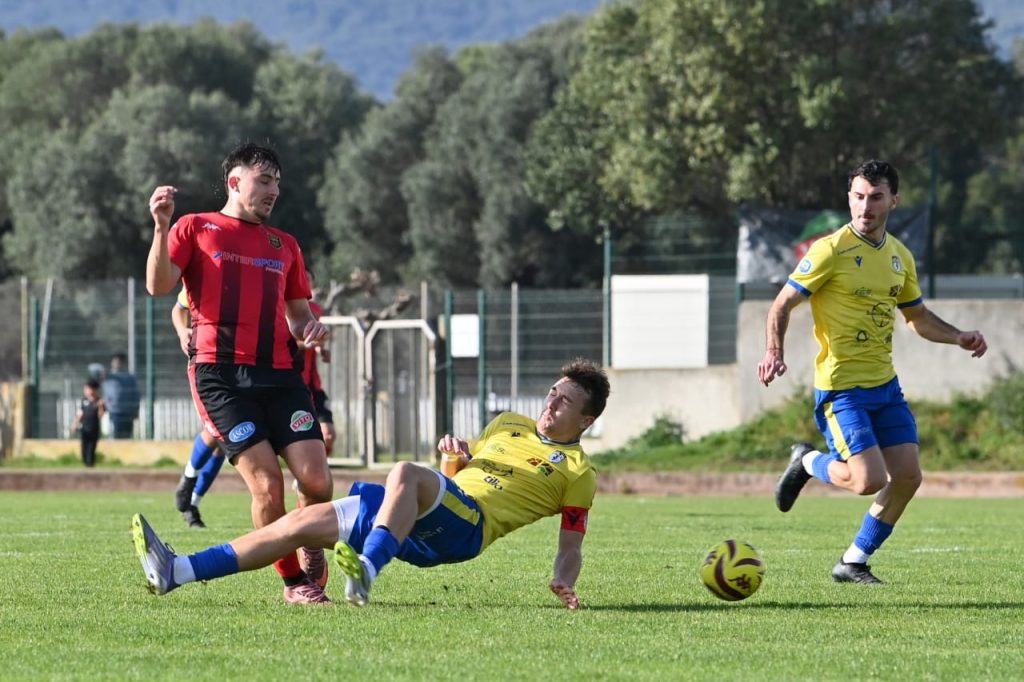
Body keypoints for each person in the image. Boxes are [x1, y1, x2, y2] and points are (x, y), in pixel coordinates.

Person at [132, 358, 610, 609]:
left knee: (404, 470)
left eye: (564, 401)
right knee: (297, 524)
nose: (551, 403)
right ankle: (177, 571)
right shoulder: (507, 423)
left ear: (585, 420)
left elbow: (571, 544)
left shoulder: (577, 472)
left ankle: (366, 569)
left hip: (469, 529)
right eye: (552, 392)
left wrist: (563, 580)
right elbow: (451, 481)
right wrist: (453, 457)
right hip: (422, 516)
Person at [757, 160, 988, 585]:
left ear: (893, 201)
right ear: (849, 199)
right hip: (842, 389)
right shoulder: (830, 250)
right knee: (868, 480)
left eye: (876, 197)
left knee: (908, 476)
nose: (866, 207)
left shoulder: (900, 256)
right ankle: (808, 461)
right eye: (859, 197)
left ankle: (853, 561)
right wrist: (774, 351)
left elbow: (917, 317)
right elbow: (782, 303)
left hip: (885, 387)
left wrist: (957, 336)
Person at [145, 141, 334, 604]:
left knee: (317, 481)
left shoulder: (285, 245)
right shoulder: (195, 227)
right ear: (235, 181)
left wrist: (311, 328)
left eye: (277, 184)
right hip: (221, 378)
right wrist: (162, 227)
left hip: (281, 375)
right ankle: (294, 582)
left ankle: (307, 538)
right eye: (264, 180)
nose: (273, 191)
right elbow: (158, 285)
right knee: (268, 484)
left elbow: (298, 315)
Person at [170, 287, 225, 529]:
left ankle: (192, 503)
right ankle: (190, 476)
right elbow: (178, 309)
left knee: (222, 444)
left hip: (246, 366)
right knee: (215, 431)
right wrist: (183, 332)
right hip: (209, 364)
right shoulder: (205, 275)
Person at [102, 353, 140, 439]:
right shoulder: (108, 377)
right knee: (117, 436)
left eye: (119, 362)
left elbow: (136, 395)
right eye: (115, 361)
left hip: (128, 411)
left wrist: (136, 409)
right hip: (115, 412)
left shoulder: (130, 377)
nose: (117, 364)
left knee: (127, 436)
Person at [71, 378, 106, 467]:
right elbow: (79, 414)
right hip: (85, 429)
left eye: (88, 389)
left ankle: (90, 465)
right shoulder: (84, 401)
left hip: (94, 429)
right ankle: (86, 464)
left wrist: (100, 406)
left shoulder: (99, 401)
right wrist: (74, 424)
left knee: (91, 448)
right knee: (84, 448)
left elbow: (100, 415)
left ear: (94, 389)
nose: (86, 391)